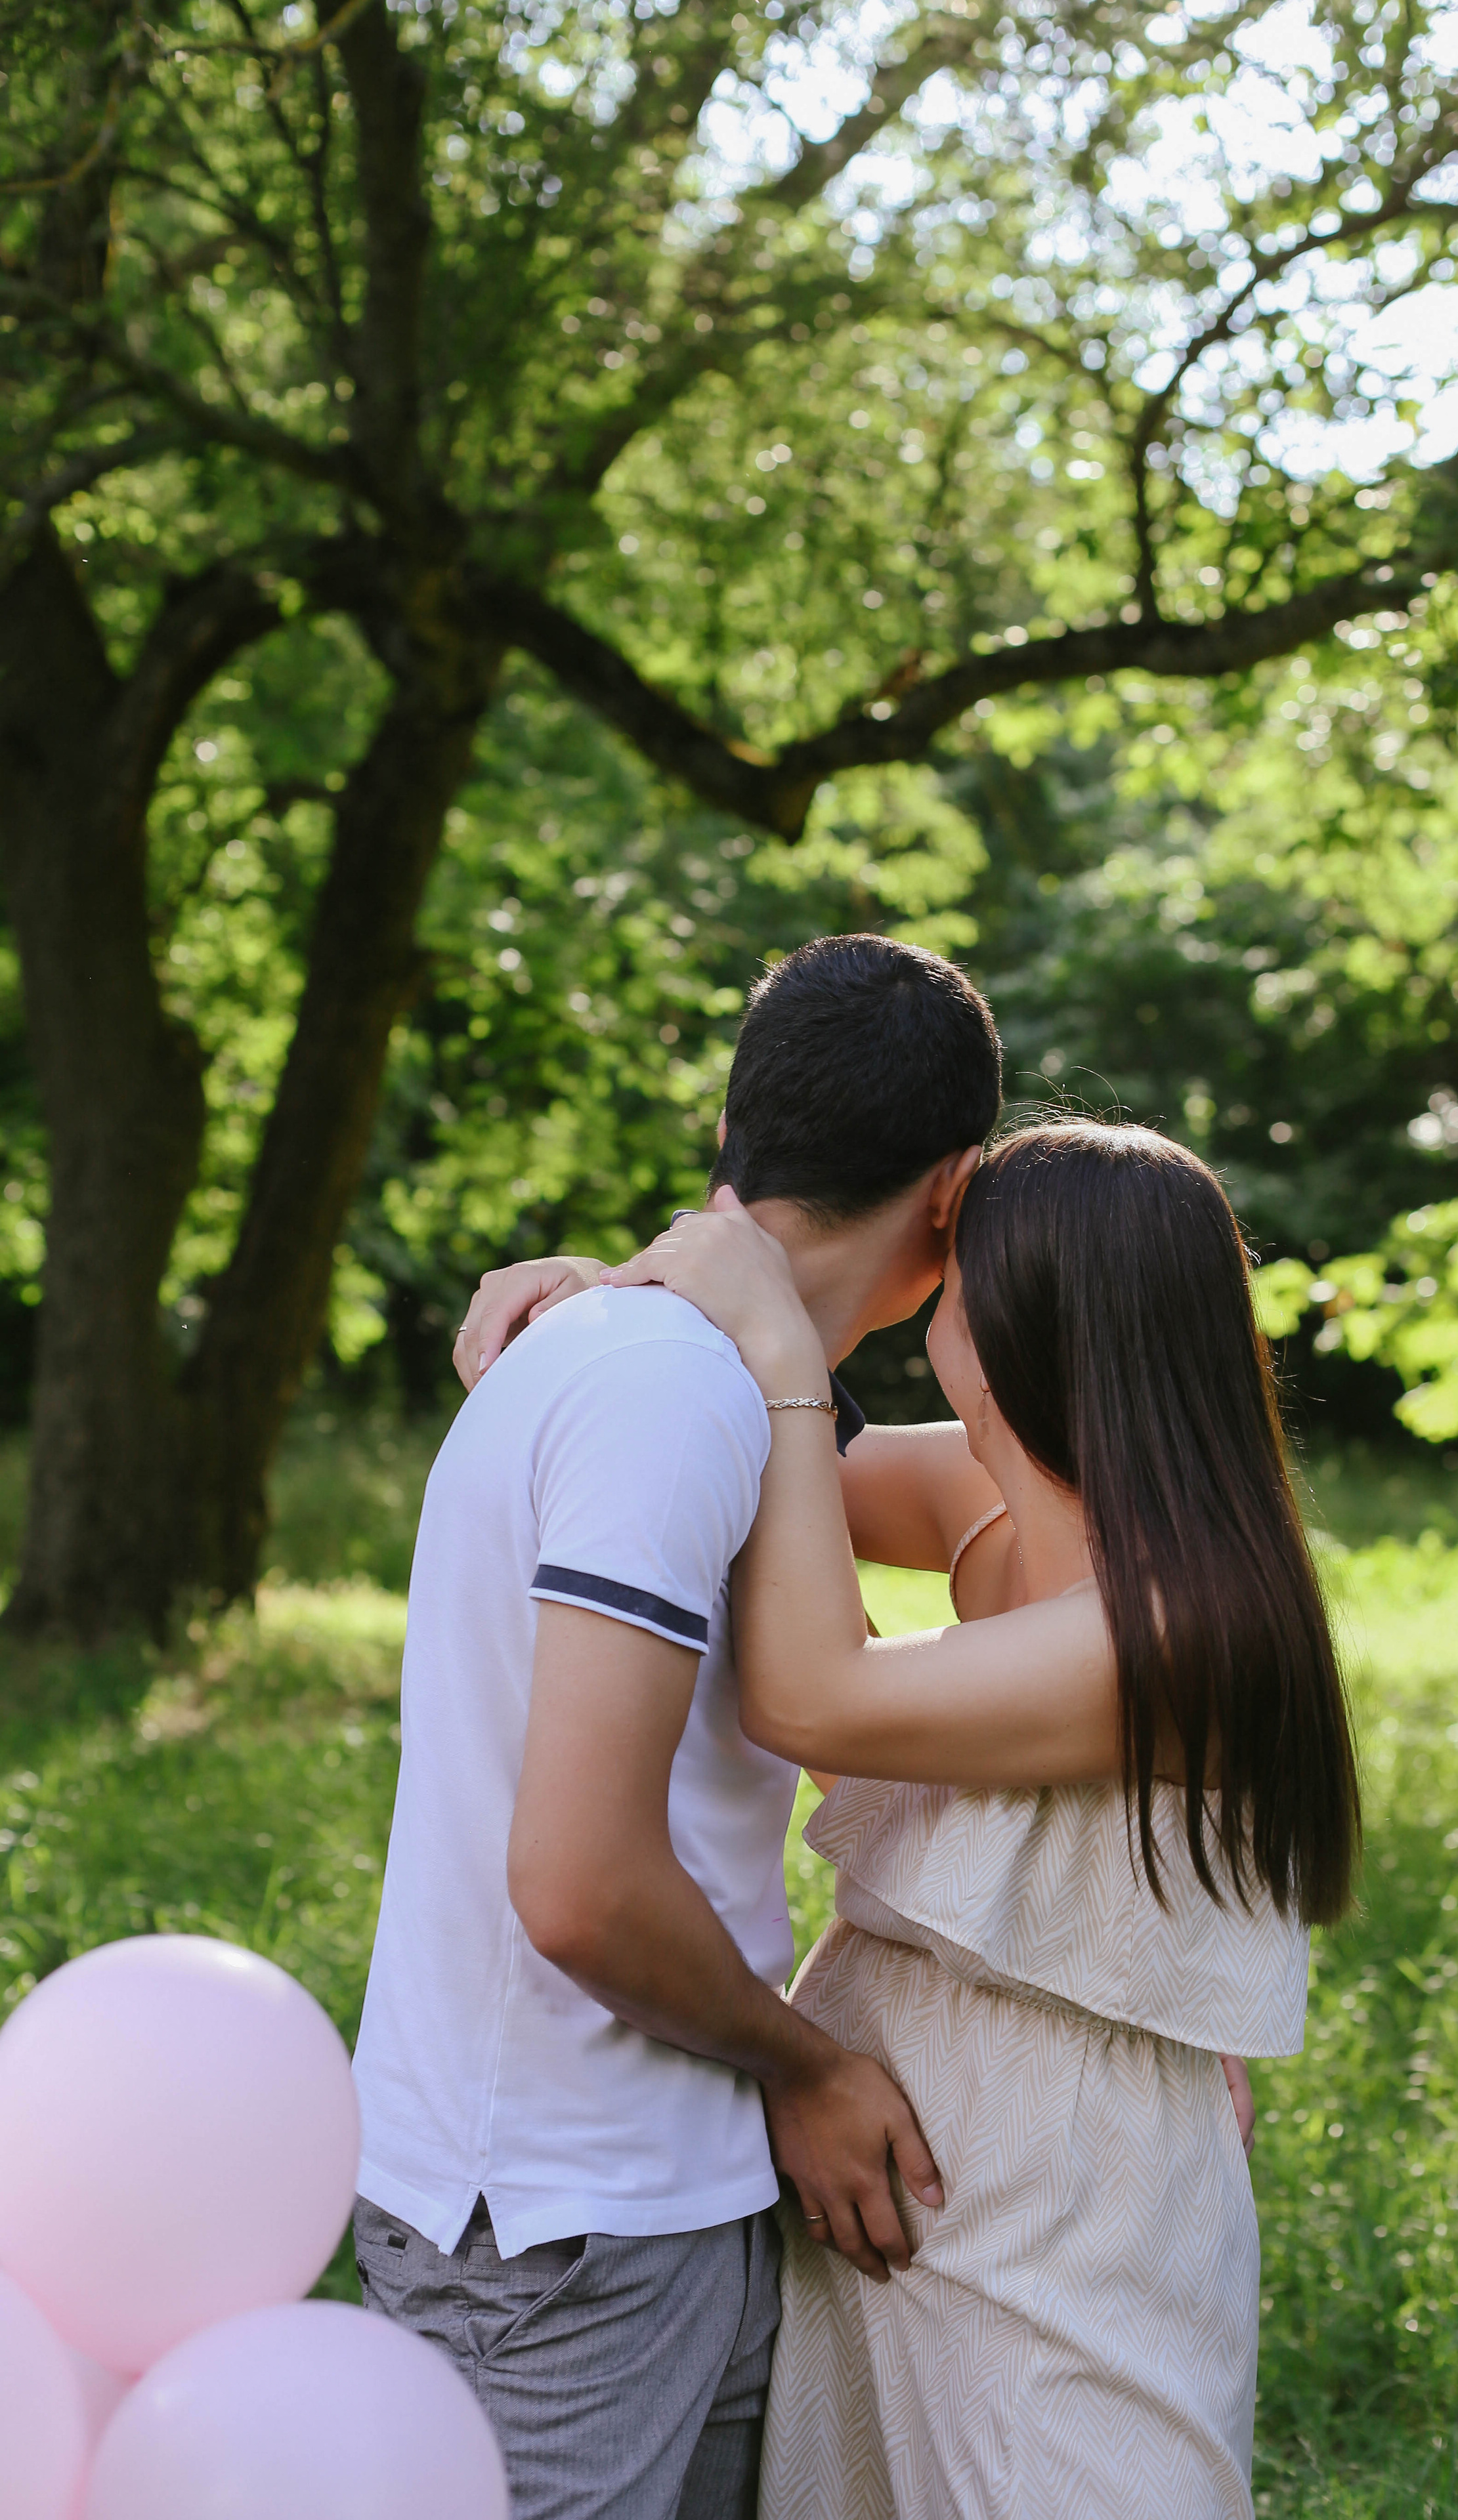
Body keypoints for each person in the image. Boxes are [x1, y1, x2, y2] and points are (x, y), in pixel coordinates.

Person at [578, 1120, 1361, 2520]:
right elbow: (729, 1460)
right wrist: (590, 1299)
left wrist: (779, 1348)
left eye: (954, 1265)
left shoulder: (1176, 1624)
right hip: (887, 2139)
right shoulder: (987, 1492)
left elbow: (810, 1696)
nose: (923, 1287)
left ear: (1021, 1315)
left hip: (1072, 2184)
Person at [350, 935, 1008, 2520]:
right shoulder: (668, 1394)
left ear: (732, 1140)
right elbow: (576, 1884)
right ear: (952, 1193)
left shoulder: (702, 1379)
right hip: (557, 2226)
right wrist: (811, 2069)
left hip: (657, 2182)